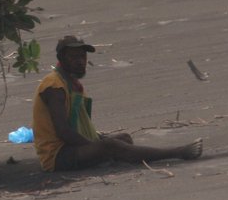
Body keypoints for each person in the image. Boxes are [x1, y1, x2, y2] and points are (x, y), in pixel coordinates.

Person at [32, 35, 203, 171]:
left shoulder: (74, 85)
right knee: (110, 146)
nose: (80, 61)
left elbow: (78, 126)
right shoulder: (54, 86)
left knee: (124, 139)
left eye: (82, 56)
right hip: (58, 156)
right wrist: (97, 146)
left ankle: (112, 155)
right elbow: (63, 131)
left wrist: (98, 141)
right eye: (74, 57)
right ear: (61, 58)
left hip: (72, 148)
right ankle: (177, 152)